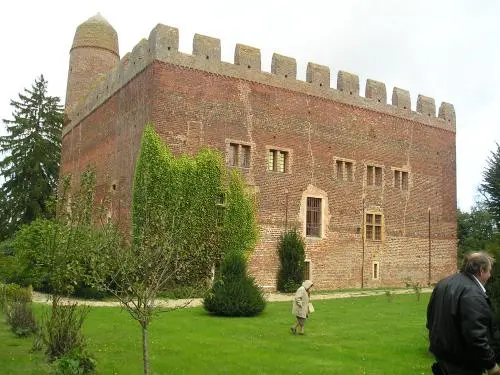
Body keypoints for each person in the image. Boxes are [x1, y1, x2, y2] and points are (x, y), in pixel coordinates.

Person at [427, 251, 500, 375]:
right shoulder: (472, 293)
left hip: (443, 356)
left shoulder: (443, 283)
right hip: (462, 363)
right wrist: (491, 365)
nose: (490, 274)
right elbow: (476, 335)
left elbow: (430, 318)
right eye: (489, 270)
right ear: (482, 271)